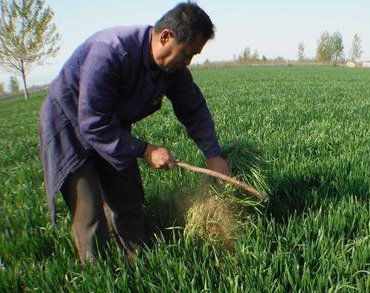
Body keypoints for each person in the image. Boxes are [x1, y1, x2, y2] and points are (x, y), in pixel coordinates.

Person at [39, 2, 230, 264]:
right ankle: (101, 277)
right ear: (166, 37)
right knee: (89, 207)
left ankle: (136, 259)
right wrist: (144, 150)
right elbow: (92, 121)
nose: (188, 62)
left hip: (110, 125)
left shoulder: (173, 70)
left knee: (127, 195)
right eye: (187, 53)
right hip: (71, 124)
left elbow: (194, 109)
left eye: (193, 56)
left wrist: (213, 155)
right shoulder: (110, 52)